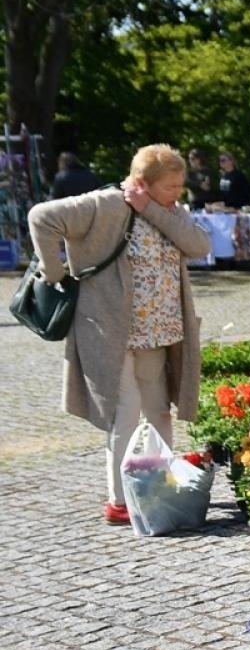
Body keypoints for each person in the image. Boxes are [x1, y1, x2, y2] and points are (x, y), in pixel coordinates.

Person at [27, 144, 212, 524]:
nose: (177, 193)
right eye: (170, 187)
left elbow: (199, 245)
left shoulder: (169, 212)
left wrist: (153, 209)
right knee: (125, 413)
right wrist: (55, 272)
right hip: (110, 329)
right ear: (142, 182)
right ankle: (120, 500)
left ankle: (158, 487)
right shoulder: (106, 204)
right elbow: (41, 217)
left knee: (159, 411)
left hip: (158, 331)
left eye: (180, 186)